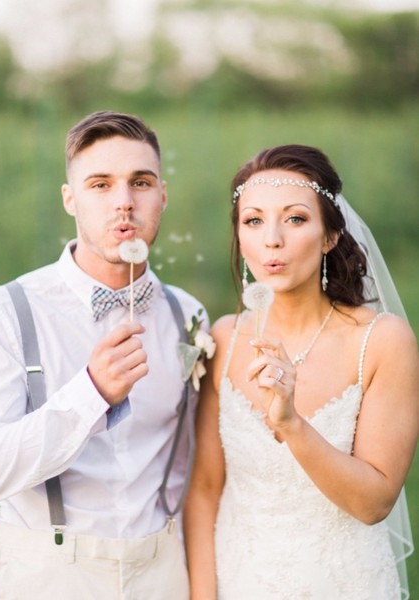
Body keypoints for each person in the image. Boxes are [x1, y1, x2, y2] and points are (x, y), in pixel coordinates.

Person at [0, 110, 209, 600]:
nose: (124, 202)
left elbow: (190, 466)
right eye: (100, 184)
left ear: (162, 195)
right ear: (70, 199)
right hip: (46, 577)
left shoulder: (188, 316)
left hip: (163, 574)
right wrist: (91, 394)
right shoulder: (3, 314)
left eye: (140, 182)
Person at [183, 144, 419, 599]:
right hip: (240, 580)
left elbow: (375, 503)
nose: (272, 238)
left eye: (294, 218)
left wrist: (291, 424)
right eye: (253, 220)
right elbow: (205, 490)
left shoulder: (382, 342)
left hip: (344, 583)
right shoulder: (225, 339)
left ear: (330, 235)